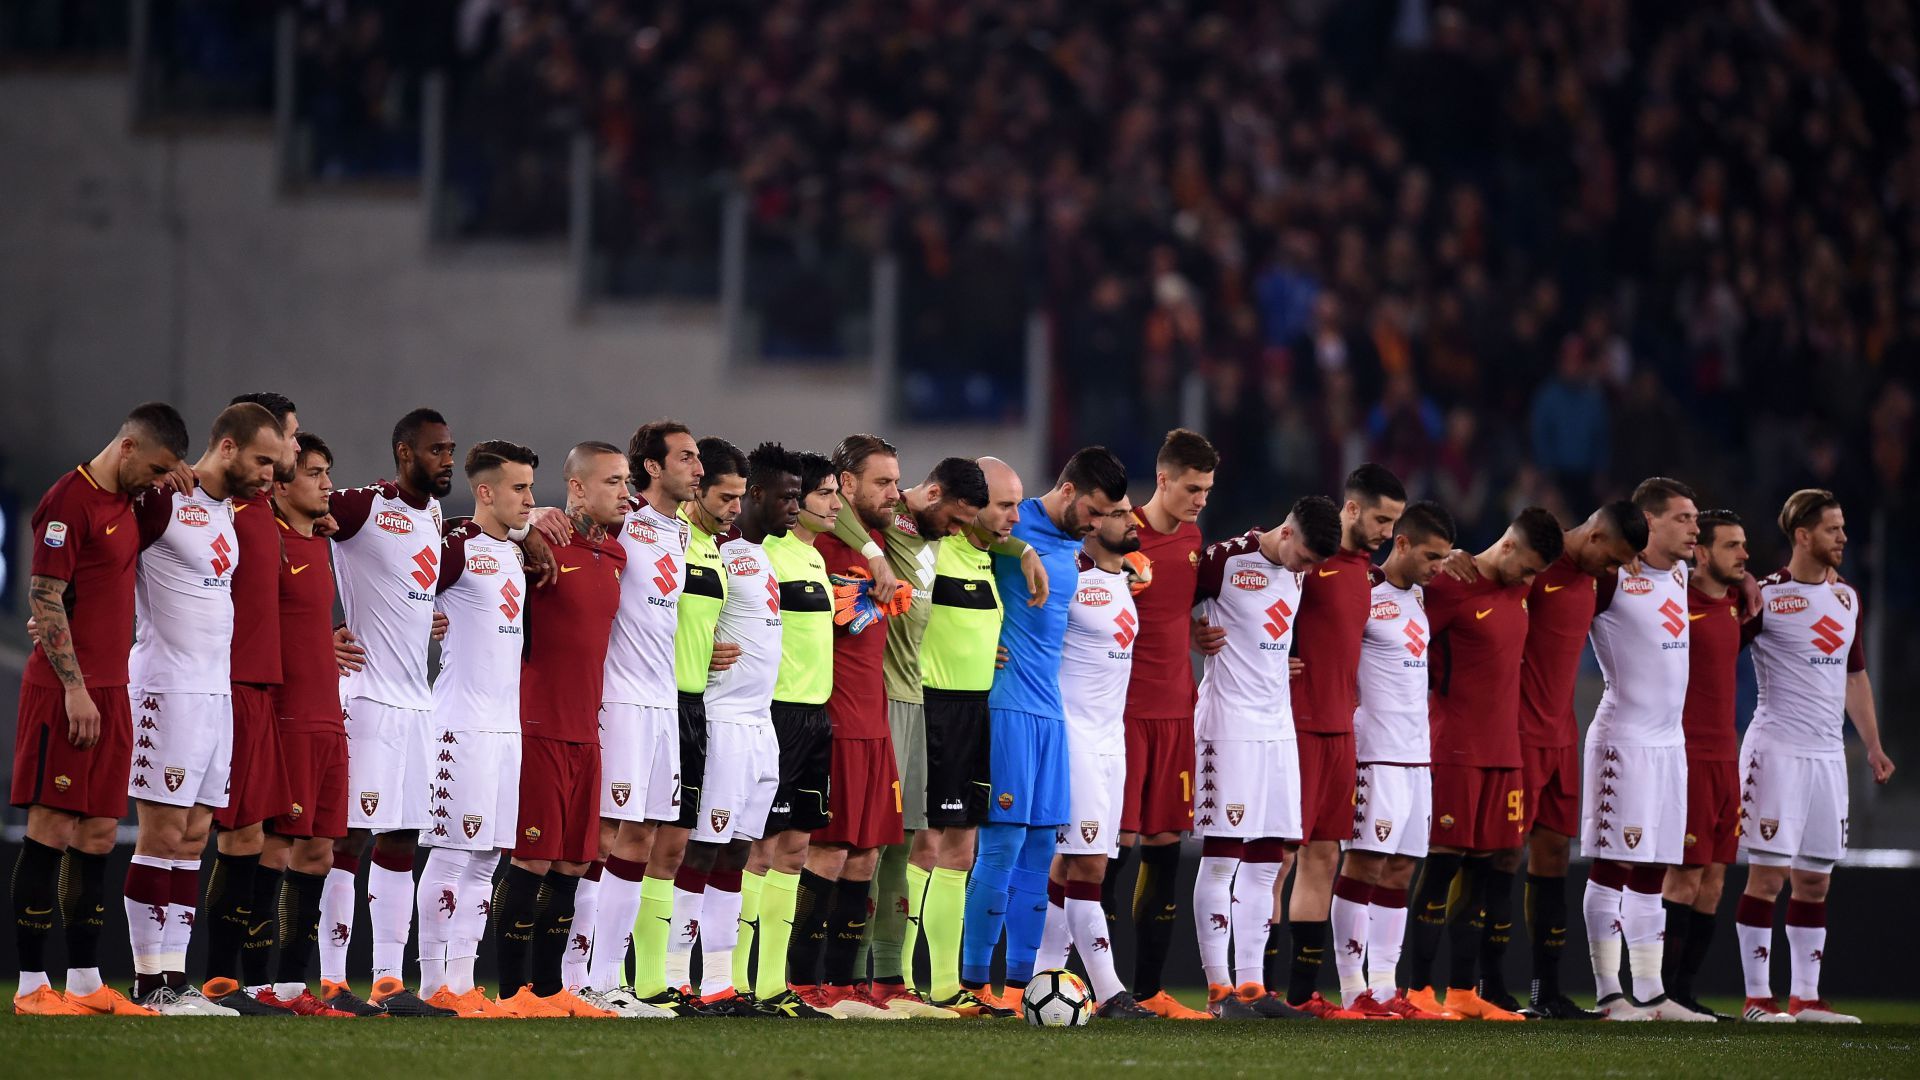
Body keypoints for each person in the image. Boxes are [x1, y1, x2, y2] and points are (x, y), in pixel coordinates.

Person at [10, 401, 187, 1017]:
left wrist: (180, 475)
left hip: (114, 690)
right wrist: (75, 688)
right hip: (68, 692)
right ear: (127, 447)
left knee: (99, 833)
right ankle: (32, 986)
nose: (158, 481)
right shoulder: (69, 500)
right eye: (156, 468)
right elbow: (44, 595)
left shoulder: (130, 500)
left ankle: (85, 985)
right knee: (52, 829)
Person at [125, 402, 284, 1015]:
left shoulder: (224, 510)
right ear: (227, 448)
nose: (270, 473)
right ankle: (148, 984)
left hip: (216, 692)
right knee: (161, 833)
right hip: (167, 689)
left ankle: (175, 977)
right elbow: (102, 550)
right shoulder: (164, 498)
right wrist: (59, 610)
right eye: (262, 460)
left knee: (193, 837)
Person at [961, 447, 1126, 1013]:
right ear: (1069, 490)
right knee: (1002, 844)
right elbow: (955, 534)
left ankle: (1020, 987)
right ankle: (973, 984)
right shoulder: (1013, 520)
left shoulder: (1074, 545)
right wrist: (1019, 547)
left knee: (1038, 849)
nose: (1097, 525)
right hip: (1007, 704)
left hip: (1053, 712)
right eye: (1094, 511)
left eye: (1108, 516)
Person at [831, 453, 998, 1004]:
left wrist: (1022, 551)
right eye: (953, 520)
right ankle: (845, 977)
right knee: (870, 844)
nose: (956, 532)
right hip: (878, 701)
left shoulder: (934, 534)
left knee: (905, 844)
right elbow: (832, 506)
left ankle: (888, 979)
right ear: (932, 495)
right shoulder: (891, 517)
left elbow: (995, 537)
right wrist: (875, 557)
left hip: (915, 698)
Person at [1734, 489, 1895, 1023]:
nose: (1843, 537)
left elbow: (1855, 676)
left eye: (1843, 527)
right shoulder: (1766, 596)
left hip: (1828, 757)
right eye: (1832, 528)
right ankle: (1758, 999)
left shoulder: (1847, 598)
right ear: (1802, 536)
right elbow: (1717, 647)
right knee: (1767, 878)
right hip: (1776, 751)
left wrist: (1872, 745)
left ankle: (1805, 998)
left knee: (1815, 881)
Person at [321, 407, 461, 1017]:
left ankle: (387, 981)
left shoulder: (433, 516)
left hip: (416, 704)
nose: (447, 460)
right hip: (368, 700)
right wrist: (320, 631)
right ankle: (331, 981)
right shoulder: (361, 507)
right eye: (436, 450)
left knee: (402, 840)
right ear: (404, 452)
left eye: (450, 450)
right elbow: (285, 527)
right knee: (349, 838)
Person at [1401, 507, 1563, 1022]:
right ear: (1508, 546)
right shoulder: (1449, 586)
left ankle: (1463, 992)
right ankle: (1418, 990)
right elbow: (1400, 641)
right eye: (1529, 568)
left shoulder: (1519, 587)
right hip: (1455, 750)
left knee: (1483, 869)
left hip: (1504, 753)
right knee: (1443, 865)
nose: (1531, 580)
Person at [1189, 496, 1341, 1020]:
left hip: (1278, 727)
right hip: (1228, 725)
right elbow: (1163, 602)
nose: (1308, 570)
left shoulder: (1298, 572)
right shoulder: (1225, 559)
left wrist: (1283, 660)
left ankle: (1252, 988)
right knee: (1222, 858)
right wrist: (1190, 631)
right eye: (1306, 558)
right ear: (1287, 531)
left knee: (1269, 858)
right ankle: (1218, 991)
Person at [491, 442, 628, 1018]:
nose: (625, 493)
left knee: (574, 863)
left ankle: (550, 992)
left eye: (626, 481)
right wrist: (529, 526)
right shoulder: (538, 542)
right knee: (531, 858)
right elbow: (478, 537)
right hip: (538, 725)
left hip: (586, 730)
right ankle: (511, 994)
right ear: (576, 488)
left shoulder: (616, 553)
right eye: (612, 482)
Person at [687, 443, 821, 1017]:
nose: (795, 506)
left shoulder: (756, 555)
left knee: (738, 852)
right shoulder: (709, 549)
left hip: (761, 724)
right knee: (701, 850)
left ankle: (720, 984)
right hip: (721, 720)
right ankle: (673, 980)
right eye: (786, 496)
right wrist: (696, 651)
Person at [797, 437, 925, 1017]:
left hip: (877, 723)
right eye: (882, 482)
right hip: (837, 721)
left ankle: (844, 984)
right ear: (845, 485)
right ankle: (804, 981)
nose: (894, 492)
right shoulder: (817, 546)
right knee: (828, 851)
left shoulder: (879, 538)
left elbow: (934, 503)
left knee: (867, 855)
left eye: (896, 481)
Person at [415, 441, 540, 1018]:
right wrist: (424, 616)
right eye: (519, 488)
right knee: (449, 855)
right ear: (485, 492)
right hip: (460, 725)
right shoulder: (457, 545)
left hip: (505, 728)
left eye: (531, 487)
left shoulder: (515, 550)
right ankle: (431, 983)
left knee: (487, 858)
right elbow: (400, 589)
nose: (529, 498)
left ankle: (463, 983)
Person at [1581, 477, 1712, 1021]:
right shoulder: (1611, 578)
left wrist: (1751, 582)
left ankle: (1653, 993)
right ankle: (1609, 992)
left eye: (1696, 519)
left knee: (1654, 867)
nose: (1695, 529)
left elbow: (1727, 578)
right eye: (1684, 518)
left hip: (1670, 744)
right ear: (1649, 521)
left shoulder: (1680, 573)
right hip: (1625, 740)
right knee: (1613, 866)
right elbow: (1558, 574)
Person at [584, 421, 704, 1017]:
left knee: (645, 836)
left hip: (663, 702)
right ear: (652, 467)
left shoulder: (681, 531)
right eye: (686, 458)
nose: (698, 469)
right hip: (620, 698)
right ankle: (579, 978)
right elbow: (551, 531)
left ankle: (610, 979)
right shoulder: (621, 517)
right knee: (606, 834)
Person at [1280, 463, 1405, 1018]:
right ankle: (1251, 988)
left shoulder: (1366, 574)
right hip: (1298, 726)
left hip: (1341, 730)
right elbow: (1240, 599)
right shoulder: (1307, 560)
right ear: (1351, 508)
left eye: (1394, 523)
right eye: (1381, 520)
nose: (1388, 532)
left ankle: (1302, 994)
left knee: (1324, 856)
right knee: (1280, 857)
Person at [1512, 500, 1645, 1019]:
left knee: (1552, 855)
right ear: (1593, 537)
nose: (1614, 570)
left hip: (1562, 735)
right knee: (1498, 856)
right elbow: (1482, 581)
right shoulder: (1536, 566)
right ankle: (1479, 986)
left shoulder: (1598, 579)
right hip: (1516, 734)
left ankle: (1544, 993)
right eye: (1612, 559)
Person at [1329, 500, 1456, 1020]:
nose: (1438, 567)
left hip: (1416, 757)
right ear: (1401, 543)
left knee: (1401, 869)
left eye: (1444, 558)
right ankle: (1351, 988)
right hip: (1374, 754)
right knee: (1364, 864)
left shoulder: (1422, 596)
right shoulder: (1365, 593)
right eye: (1431, 556)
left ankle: (1385, 988)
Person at [1034, 494, 1156, 1019]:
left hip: (1111, 740)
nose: (1132, 519)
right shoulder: (1071, 580)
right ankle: (1110, 992)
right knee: (1090, 863)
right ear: (1092, 523)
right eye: (1120, 513)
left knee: (1074, 861)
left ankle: (1041, 976)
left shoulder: (1124, 578)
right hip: (1076, 737)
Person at [256, 433, 365, 1016]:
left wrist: (324, 641)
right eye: (315, 473)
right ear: (279, 483)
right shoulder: (263, 539)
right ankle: (252, 982)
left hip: (329, 716)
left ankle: (293, 987)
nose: (328, 484)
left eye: (327, 471)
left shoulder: (319, 541)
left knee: (320, 852)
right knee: (275, 848)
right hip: (289, 717)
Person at [201, 392, 300, 1010]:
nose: (293, 449)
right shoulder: (213, 504)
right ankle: (212, 979)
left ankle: (242, 982)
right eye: (288, 438)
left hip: (262, 687)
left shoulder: (266, 506)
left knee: (252, 837)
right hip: (227, 685)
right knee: (217, 834)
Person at [1116, 429, 1217, 1020]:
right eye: (1192, 488)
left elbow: (1180, 608)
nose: (1200, 500)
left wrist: (1194, 631)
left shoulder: (1195, 540)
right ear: (1162, 480)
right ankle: (1084, 981)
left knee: (1163, 847)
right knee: (1111, 848)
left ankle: (1150, 990)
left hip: (1178, 712)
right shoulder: (1119, 535)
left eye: (1206, 490)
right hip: (1125, 714)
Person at [915, 457, 1018, 1017]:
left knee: (962, 846)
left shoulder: (989, 558)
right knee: (924, 844)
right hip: (933, 707)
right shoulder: (935, 548)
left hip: (977, 711)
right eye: (1003, 506)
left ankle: (944, 985)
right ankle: (899, 980)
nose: (1011, 517)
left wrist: (1022, 551)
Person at [659, 438, 750, 1017]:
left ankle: (692, 980)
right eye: (725, 496)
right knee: (648, 845)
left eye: (741, 497)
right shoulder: (668, 537)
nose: (735, 508)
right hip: (654, 705)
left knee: (693, 846)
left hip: (697, 708)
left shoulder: (718, 549)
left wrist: (701, 643)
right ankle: (645, 977)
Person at [752, 452, 841, 1013]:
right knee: (760, 848)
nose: (835, 505)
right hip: (778, 713)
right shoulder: (768, 553)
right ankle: (738, 981)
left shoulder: (814, 557)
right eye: (823, 494)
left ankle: (771, 985)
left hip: (816, 716)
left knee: (797, 848)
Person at [1659, 508, 1747, 1019]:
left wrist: (1750, 583)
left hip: (1726, 759)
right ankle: (1660, 994)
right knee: (1684, 877)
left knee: (1713, 882)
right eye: (1732, 545)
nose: (1744, 554)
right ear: (1703, 552)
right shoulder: (1675, 598)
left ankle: (1685, 993)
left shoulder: (1738, 603)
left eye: (1744, 545)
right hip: (1687, 756)